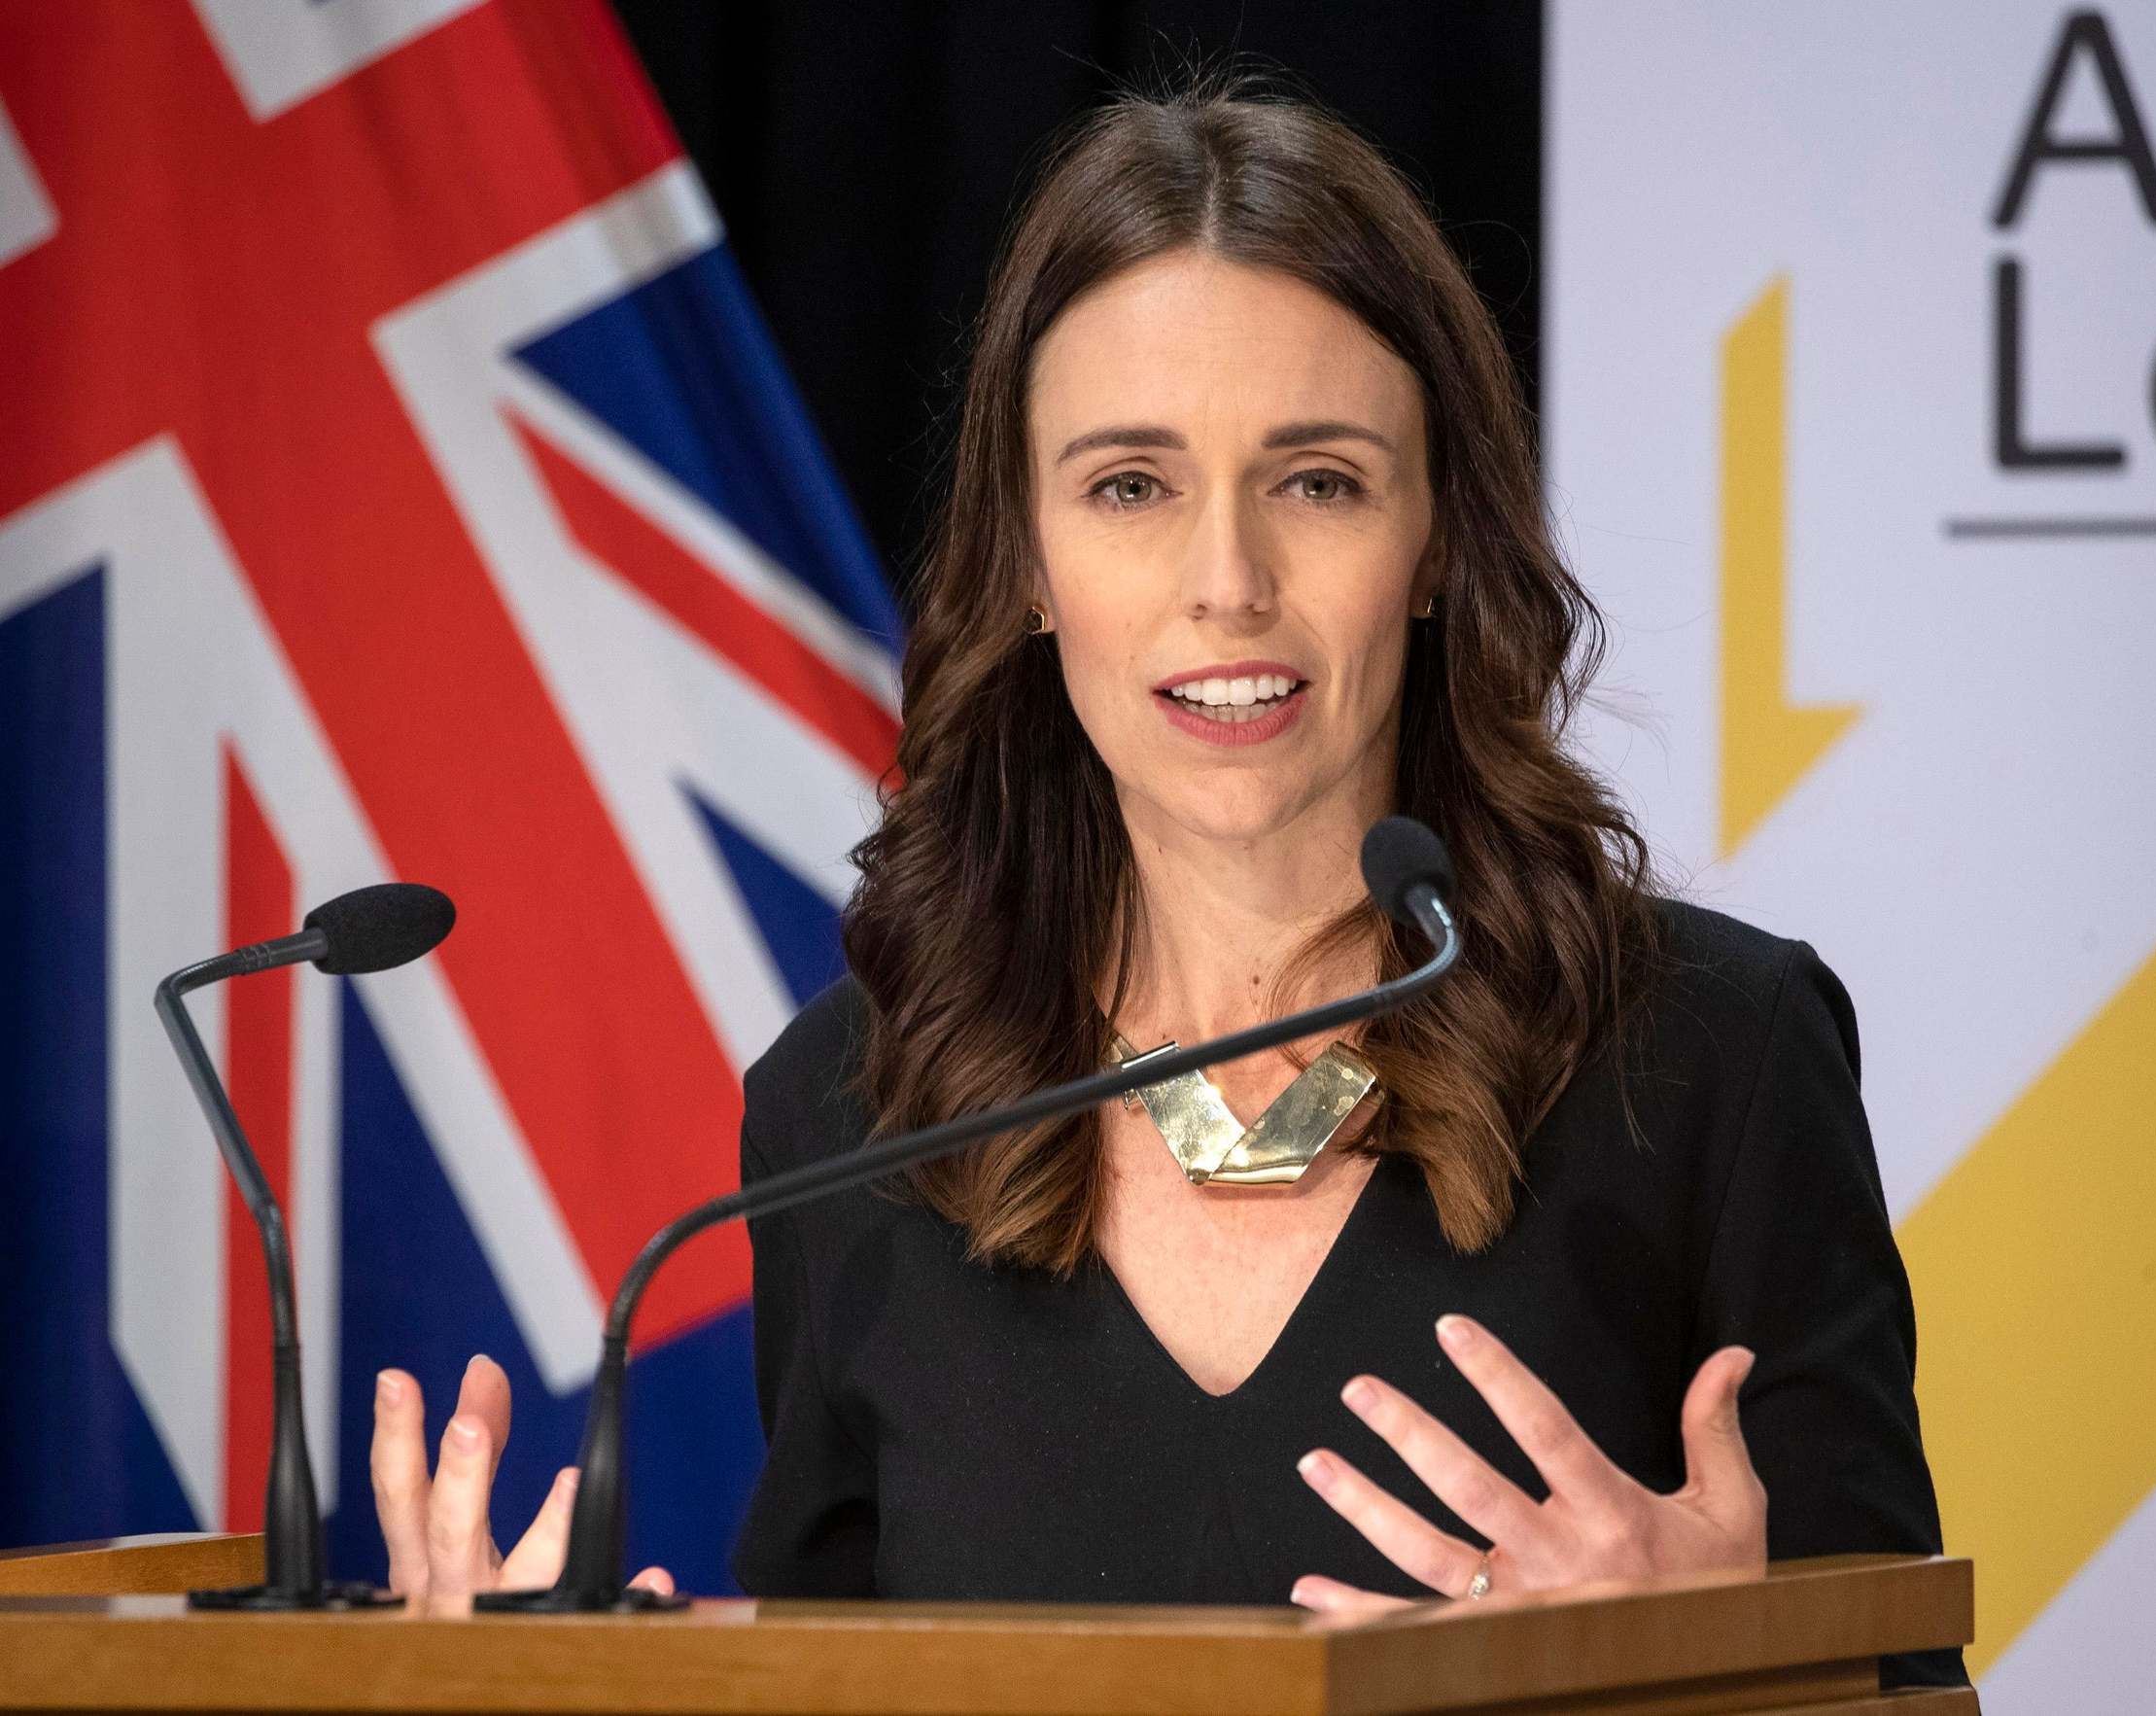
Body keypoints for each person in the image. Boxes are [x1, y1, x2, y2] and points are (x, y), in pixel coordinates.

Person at [366, 67, 1966, 1691]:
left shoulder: (1713, 1055)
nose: (1228, 583)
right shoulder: (852, 1115)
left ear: (1433, 545)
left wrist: (1745, 1660)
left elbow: (1908, 1688)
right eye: (1129, 485)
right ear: (1031, 563)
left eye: (1318, 480)